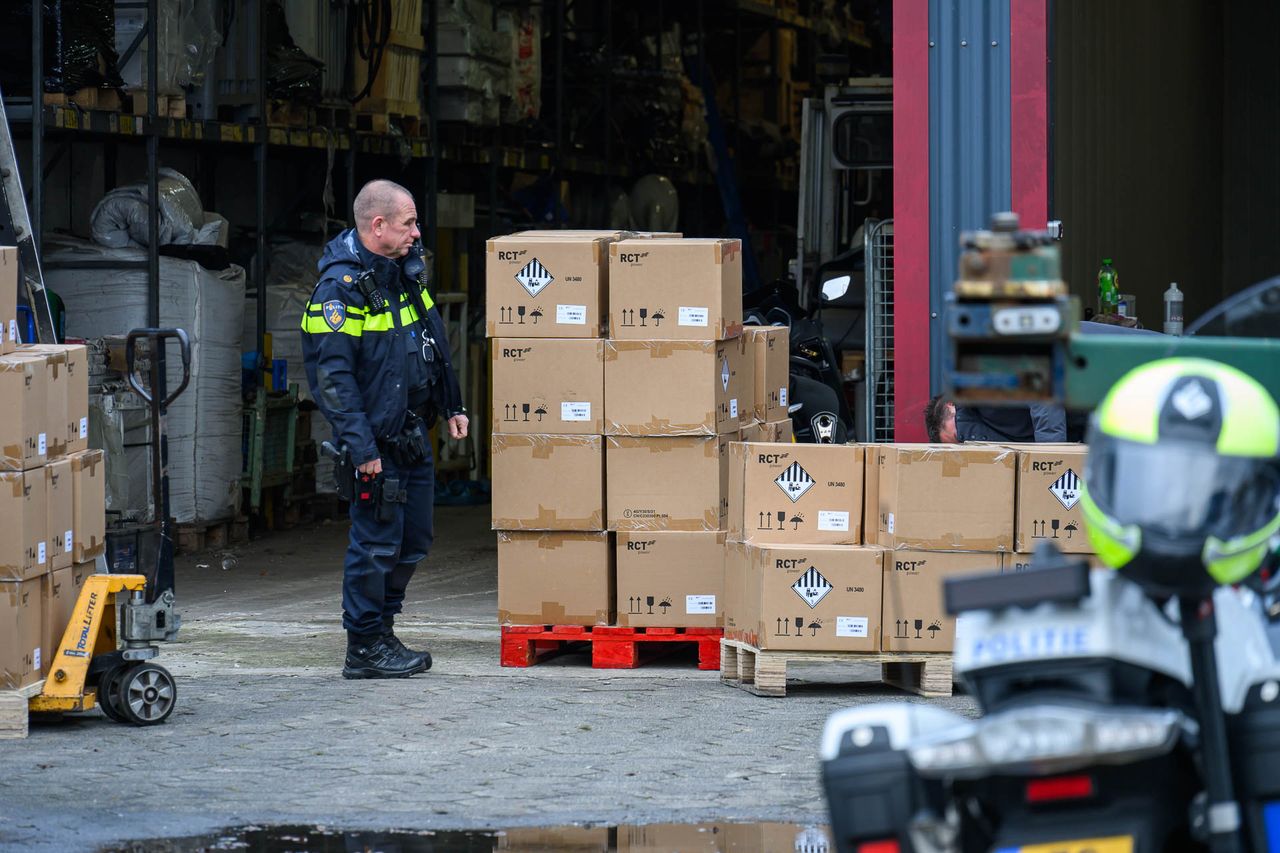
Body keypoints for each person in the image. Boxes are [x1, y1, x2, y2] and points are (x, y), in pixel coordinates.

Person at [300, 179, 468, 679]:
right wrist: (361, 447)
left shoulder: (402, 276)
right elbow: (332, 379)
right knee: (375, 543)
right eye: (408, 223)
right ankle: (365, 646)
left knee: (414, 538)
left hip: (411, 435)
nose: (417, 233)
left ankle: (383, 631)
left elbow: (432, 341)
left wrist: (452, 402)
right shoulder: (338, 291)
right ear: (378, 226)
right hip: (374, 445)